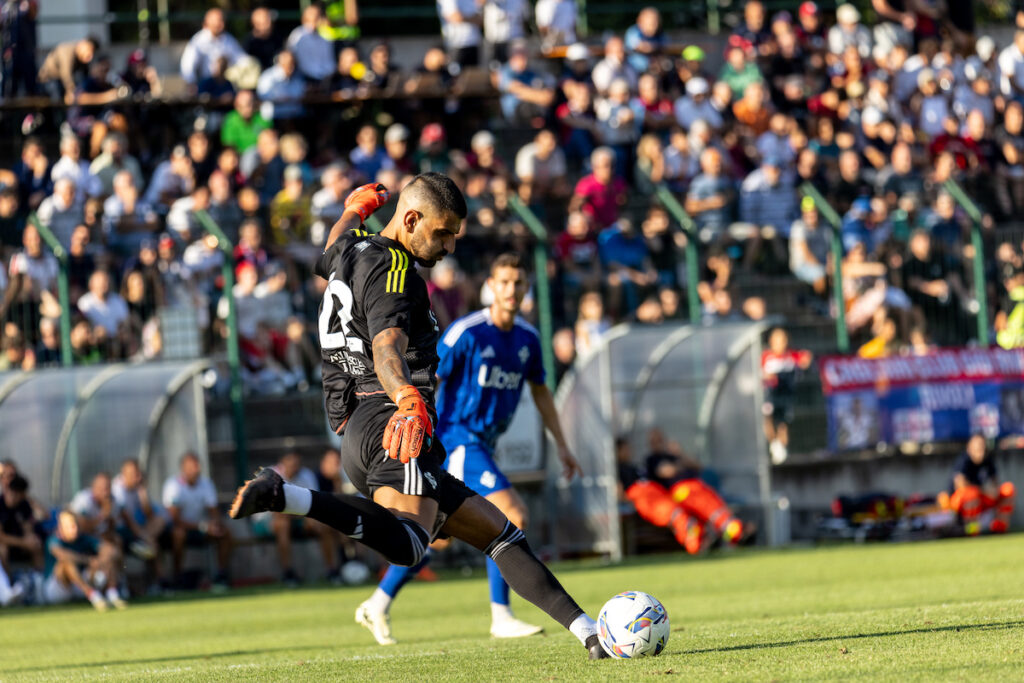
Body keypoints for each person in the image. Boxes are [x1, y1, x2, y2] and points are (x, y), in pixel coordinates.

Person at [229, 176, 609, 659]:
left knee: (501, 534)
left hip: (362, 425)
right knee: (410, 545)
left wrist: (354, 209)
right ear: (410, 220)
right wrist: (407, 398)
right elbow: (388, 347)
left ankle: (590, 633)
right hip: (392, 420)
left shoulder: (353, 249)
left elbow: (332, 244)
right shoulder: (397, 273)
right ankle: (287, 495)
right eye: (442, 233)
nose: (449, 246)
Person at [357, 252, 583, 644]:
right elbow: (430, 373)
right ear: (490, 287)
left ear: (527, 289)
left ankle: (377, 603)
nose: (511, 290)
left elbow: (542, 392)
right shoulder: (467, 332)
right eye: (505, 282)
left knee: (433, 531)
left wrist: (562, 444)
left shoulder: (528, 339)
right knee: (511, 513)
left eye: (518, 283)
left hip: (483, 444)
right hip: (457, 438)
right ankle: (501, 615)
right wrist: (420, 429)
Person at [262, 451, 341, 585]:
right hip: (266, 521)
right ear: (282, 462)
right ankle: (288, 573)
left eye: (297, 463)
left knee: (323, 526)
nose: (294, 466)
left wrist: (309, 518)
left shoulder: (306, 474)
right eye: (290, 462)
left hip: (298, 517)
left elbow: (315, 503)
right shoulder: (269, 475)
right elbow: (276, 512)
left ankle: (332, 571)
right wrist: (305, 515)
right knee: (282, 525)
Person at [162, 452, 233, 589]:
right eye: (193, 466)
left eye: (197, 466)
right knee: (178, 534)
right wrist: (203, 526)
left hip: (201, 529)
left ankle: (220, 575)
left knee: (225, 533)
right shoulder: (173, 486)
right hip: (182, 530)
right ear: (183, 468)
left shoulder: (206, 484)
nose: (197, 469)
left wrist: (215, 524)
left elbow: (214, 511)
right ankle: (178, 577)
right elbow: (175, 519)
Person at [42, 509, 125, 610]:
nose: (75, 529)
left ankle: (112, 594)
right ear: (61, 528)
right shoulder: (53, 540)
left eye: (76, 525)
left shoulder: (84, 538)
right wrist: (89, 560)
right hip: (58, 590)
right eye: (70, 526)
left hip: (79, 585)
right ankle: (93, 595)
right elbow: (63, 555)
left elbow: (111, 551)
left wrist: (100, 561)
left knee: (108, 557)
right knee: (66, 563)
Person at [946, 434, 1016, 536]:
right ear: (970, 447)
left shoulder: (988, 460)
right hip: (960, 502)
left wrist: (993, 490)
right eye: (977, 446)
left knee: (1008, 490)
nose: (981, 449)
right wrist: (982, 490)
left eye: (982, 445)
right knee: (971, 493)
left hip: (982, 498)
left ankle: (999, 528)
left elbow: (995, 482)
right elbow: (960, 485)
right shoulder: (964, 460)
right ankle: (972, 531)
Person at [761, 328, 812, 464]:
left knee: (783, 423)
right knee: (768, 419)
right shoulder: (765, 356)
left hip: (786, 396)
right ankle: (774, 445)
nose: (780, 343)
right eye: (777, 340)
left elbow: (805, 358)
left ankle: (782, 448)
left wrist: (805, 360)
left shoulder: (791, 356)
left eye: (783, 340)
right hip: (769, 395)